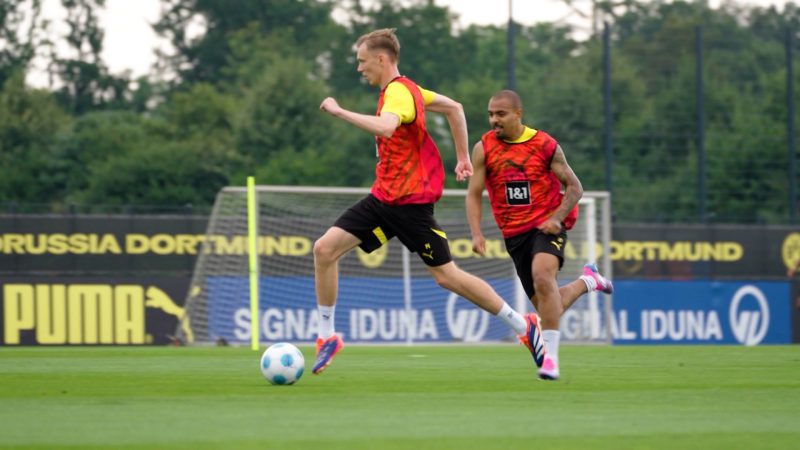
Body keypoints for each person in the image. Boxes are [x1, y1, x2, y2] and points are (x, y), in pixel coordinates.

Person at [314, 28, 543, 375]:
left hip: (409, 206)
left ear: (381, 59)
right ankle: (327, 336)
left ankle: (523, 326)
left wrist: (338, 111)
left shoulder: (398, 95)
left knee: (447, 277)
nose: (359, 68)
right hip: (383, 198)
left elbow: (386, 128)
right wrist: (464, 157)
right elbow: (454, 108)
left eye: (362, 61)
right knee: (324, 250)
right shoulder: (411, 90)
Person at [465, 89, 614, 381]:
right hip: (514, 235)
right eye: (490, 114)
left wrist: (556, 218)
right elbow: (473, 194)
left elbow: (575, 188)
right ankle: (588, 281)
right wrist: (476, 233)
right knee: (549, 304)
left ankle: (551, 361)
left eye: (501, 114)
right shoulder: (483, 148)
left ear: (518, 114)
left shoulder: (545, 145)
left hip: (547, 226)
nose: (494, 120)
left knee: (543, 278)